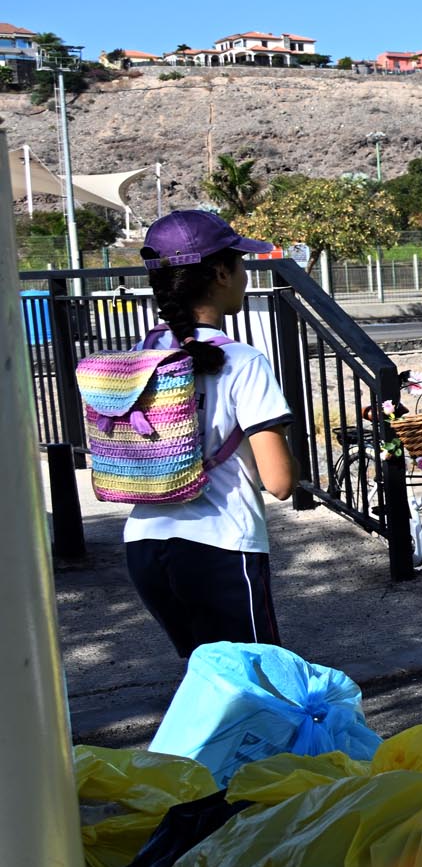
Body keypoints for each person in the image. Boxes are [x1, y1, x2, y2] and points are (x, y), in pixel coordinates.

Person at [123, 211, 299, 657]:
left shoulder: (136, 358)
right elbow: (279, 483)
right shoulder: (242, 361)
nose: (244, 274)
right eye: (240, 263)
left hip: (145, 546)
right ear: (221, 272)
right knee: (259, 688)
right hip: (222, 548)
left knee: (209, 682)